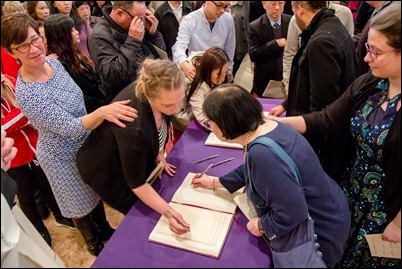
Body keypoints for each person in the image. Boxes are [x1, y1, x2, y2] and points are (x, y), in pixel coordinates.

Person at [272, 4, 401, 267]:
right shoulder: (372, 83)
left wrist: (399, 223)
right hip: (349, 193)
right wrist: (274, 124)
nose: (367, 58)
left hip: (385, 211)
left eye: (376, 51)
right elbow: (327, 118)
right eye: (367, 49)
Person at [1, 13, 138, 256]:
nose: (33, 49)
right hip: (60, 156)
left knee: (95, 191)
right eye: (23, 46)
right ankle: (92, 241)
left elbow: (77, 101)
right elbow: (68, 126)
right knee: (79, 202)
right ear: (12, 53)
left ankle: (104, 229)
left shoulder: (54, 64)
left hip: (85, 142)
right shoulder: (28, 93)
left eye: (35, 39)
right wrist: (103, 112)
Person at [192, 83, 351, 266]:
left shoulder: (262, 153)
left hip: (319, 232)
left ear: (224, 124)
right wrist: (215, 182)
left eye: (209, 122)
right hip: (331, 209)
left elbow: (292, 213)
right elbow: (252, 169)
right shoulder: (269, 127)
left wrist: (261, 225)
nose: (209, 126)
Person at [76, 59, 190, 235]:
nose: (176, 109)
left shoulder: (160, 90)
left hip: (127, 154)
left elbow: (156, 131)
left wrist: (158, 154)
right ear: (150, 97)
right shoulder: (136, 129)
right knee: (140, 213)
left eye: (179, 101)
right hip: (104, 169)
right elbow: (136, 184)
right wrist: (169, 212)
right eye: (168, 105)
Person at [1, 73, 75, 247]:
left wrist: (21, 115)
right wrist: (26, 112)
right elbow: (4, 127)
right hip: (13, 158)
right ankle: (38, 229)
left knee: (46, 184)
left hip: (34, 147)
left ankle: (60, 216)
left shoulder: (9, 81)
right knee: (26, 197)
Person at [89, 1, 166, 102]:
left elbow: (160, 59)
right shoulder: (99, 36)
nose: (142, 22)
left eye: (144, 16)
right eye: (139, 18)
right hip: (128, 100)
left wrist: (153, 35)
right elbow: (113, 76)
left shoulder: (137, 26)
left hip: (151, 89)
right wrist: (133, 41)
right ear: (120, 14)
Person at [45, 14, 107, 113]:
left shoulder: (75, 54)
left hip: (100, 104)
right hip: (91, 113)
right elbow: (77, 97)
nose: (77, 32)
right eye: (73, 30)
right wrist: (104, 105)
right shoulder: (58, 64)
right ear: (63, 35)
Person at [172, 1, 235, 81]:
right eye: (219, 5)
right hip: (197, 72)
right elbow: (179, 47)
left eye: (226, 6)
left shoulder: (228, 19)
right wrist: (183, 63)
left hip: (219, 74)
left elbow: (229, 49)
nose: (222, 10)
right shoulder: (190, 20)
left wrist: (228, 72)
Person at [174, 46, 230, 131]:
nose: (223, 78)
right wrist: (225, 129)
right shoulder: (197, 85)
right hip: (187, 120)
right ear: (208, 70)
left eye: (225, 72)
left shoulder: (209, 61)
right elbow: (202, 117)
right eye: (219, 74)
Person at [248, 1, 291, 97]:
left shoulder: (292, 22)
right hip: (265, 83)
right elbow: (254, 54)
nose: (277, 7)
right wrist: (276, 44)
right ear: (264, 4)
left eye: (280, 3)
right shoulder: (255, 27)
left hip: (288, 80)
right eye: (273, 4)